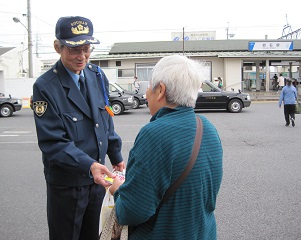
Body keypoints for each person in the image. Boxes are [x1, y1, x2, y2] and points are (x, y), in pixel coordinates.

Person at [109, 55, 223, 239]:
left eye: (149, 87)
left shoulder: (154, 134)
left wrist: (116, 190)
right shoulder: (207, 128)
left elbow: (133, 212)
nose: (146, 94)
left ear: (160, 90)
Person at [31, 16, 125, 240]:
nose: (82, 56)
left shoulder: (96, 74)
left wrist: (116, 154)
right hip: (66, 184)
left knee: (92, 235)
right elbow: (52, 142)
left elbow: (105, 118)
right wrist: (90, 165)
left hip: (97, 180)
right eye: (74, 50)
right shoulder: (45, 87)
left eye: (86, 49)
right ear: (58, 47)